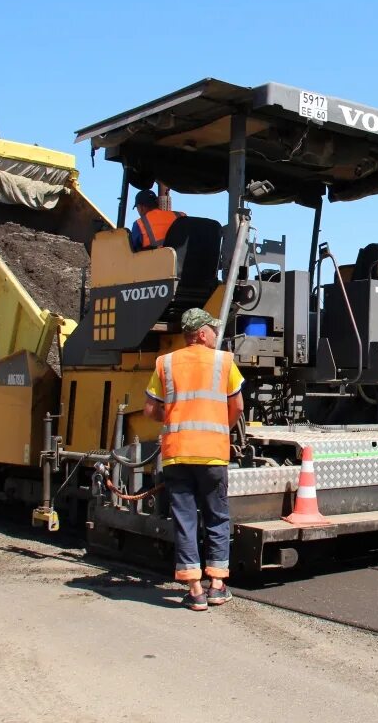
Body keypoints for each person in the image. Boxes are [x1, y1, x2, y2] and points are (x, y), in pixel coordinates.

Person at [143, 308, 244, 610]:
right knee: (217, 516)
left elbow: (150, 410)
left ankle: (195, 589)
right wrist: (220, 429)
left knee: (185, 520)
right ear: (201, 334)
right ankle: (217, 584)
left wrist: (175, 418)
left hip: (177, 454)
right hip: (212, 454)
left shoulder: (166, 362)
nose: (215, 334)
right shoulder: (224, 361)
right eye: (212, 330)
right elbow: (237, 405)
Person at [129, 186, 185, 252]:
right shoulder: (180, 215)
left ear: (140, 207)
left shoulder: (139, 224)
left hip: (156, 261)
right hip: (184, 258)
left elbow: (131, 249)